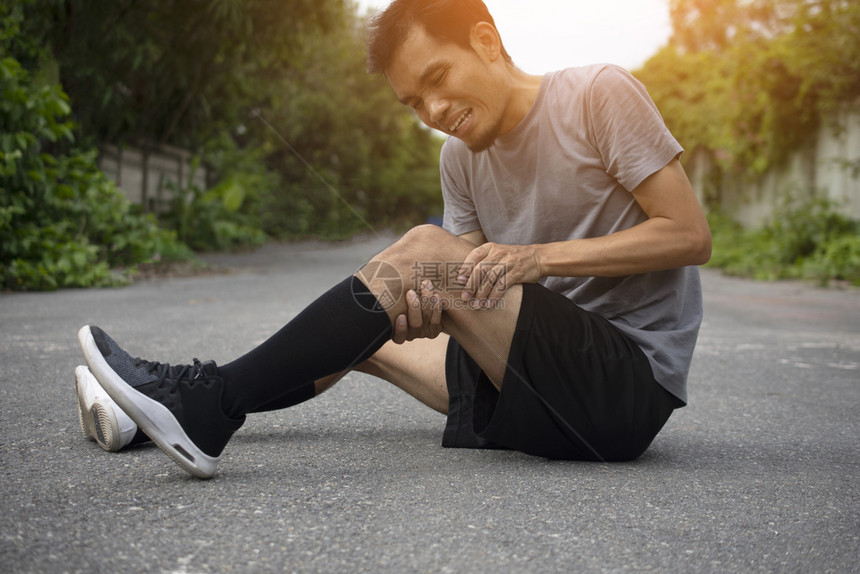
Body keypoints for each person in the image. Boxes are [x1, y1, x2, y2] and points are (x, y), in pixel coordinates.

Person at [75, 0, 711, 478]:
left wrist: (535, 259)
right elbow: (460, 284)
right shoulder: (460, 160)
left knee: (413, 255)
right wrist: (422, 306)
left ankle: (204, 406)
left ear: (487, 41)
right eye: (414, 102)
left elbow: (688, 235)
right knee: (363, 332)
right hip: (537, 383)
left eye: (437, 78)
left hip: (623, 389)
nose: (432, 112)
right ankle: (155, 412)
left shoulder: (598, 95)